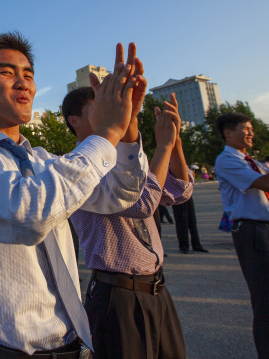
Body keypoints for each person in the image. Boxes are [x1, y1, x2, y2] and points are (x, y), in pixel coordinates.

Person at [0, 32, 148, 358]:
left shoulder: (45, 160)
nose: (23, 83)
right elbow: (27, 216)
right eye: (7, 73)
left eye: (28, 75)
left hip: (77, 344)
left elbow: (120, 194)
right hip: (12, 351)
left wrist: (128, 128)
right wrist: (105, 134)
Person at [65, 89, 191, 358]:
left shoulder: (128, 161)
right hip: (119, 293)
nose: (115, 112)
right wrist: (163, 147)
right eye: (100, 106)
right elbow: (142, 203)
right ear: (74, 120)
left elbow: (178, 191)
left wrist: (174, 141)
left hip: (155, 287)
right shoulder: (75, 167)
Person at [215, 112, 269, 359]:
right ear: (228, 133)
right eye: (246, 129)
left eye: (251, 128)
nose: (251, 133)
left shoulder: (250, 160)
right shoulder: (226, 160)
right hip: (253, 233)